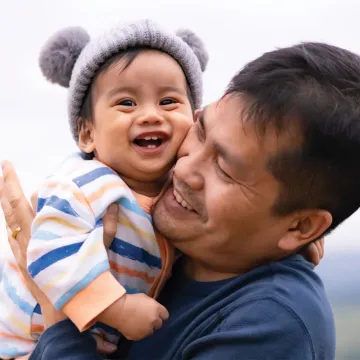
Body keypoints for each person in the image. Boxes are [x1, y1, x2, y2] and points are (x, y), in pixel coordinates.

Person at [5, 40, 360, 360]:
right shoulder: (181, 245)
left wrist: (57, 320)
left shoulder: (273, 325)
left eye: (223, 168)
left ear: (301, 225)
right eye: (200, 130)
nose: (186, 168)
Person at [0, 19, 209, 359]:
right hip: (28, 342)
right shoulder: (83, 184)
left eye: (169, 102)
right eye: (127, 103)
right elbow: (50, 251)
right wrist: (118, 307)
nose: (150, 115)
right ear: (87, 134)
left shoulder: (180, 192)